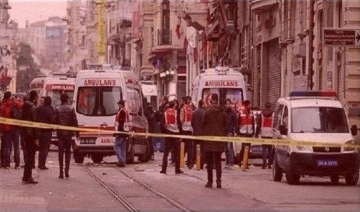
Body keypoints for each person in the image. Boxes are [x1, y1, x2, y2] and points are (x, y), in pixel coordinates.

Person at [202, 93, 226, 188]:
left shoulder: (207, 112)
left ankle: (210, 181)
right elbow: (225, 123)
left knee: (210, 162)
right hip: (219, 139)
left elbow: (203, 123)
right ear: (218, 100)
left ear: (211, 100)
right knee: (218, 161)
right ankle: (219, 181)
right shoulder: (222, 111)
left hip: (209, 139)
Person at [54, 93, 79, 178]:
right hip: (68, 134)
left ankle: (60, 172)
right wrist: (77, 133)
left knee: (61, 153)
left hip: (60, 134)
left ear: (61, 99)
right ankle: (67, 171)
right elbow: (75, 121)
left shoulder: (57, 109)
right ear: (67, 99)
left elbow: (54, 121)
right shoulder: (71, 109)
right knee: (68, 152)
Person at [160, 100, 183, 174]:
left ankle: (164, 169)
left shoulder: (165, 113)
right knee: (176, 152)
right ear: (174, 106)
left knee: (166, 152)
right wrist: (180, 133)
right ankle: (177, 169)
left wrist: (164, 131)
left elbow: (161, 124)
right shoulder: (176, 113)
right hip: (175, 134)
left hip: (168, 133)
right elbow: (179, 124)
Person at [21, 90, 39, 184]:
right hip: (31, 134)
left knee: (28, 155)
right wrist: (36, 137)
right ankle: (29, 177)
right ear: (35, 97)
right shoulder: (33, 107)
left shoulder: (25, 106)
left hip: (25, 133)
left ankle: (25, 176)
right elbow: (35, 122)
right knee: (31, 157)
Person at [35, 96, 54, 170]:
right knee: (45, 148)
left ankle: (40, 163)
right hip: (47, 132)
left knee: (41, 148)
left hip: (39, 131)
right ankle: (42, 164)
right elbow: (52, 120)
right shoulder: (50, 110)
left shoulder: (39, 108)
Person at [236, 100, 255, 169]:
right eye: (250, 104)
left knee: (248, 148)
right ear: (246, 105)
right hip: (243, 132)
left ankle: (245, 163)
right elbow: (237, 123)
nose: (250, 106)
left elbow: (253, 123)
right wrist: (237, 132)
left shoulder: (251, 113)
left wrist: (253, 132)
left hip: (249, 132)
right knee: (243, 148)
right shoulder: (241, 112)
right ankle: (240, 161)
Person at [256, 102, 274, 169]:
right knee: (270, 150)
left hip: (263, 133)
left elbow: (258, 125)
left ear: (265, 106)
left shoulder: (261, 114)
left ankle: (264, 164)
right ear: (270, 106)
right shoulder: (273, 114)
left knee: (264, 150)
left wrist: (256, 134)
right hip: (271, 134)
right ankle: (269, 164)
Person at [114, 100, 129, 167]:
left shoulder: (122, 112)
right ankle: (123, 160)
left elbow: (120, 123)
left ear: (121, 105)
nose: (118, 106)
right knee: (123, 147)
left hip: (121, 131)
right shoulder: (126, 111)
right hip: (125, 131)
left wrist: (117, 132)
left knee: (116, 145)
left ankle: (121, 160)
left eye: (119, 104)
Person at [180, 96, 194, 169]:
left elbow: (181, 119)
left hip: (184, 130)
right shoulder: (190, 109)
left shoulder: (183, 109)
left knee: (183, 146)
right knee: (189, 147)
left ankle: (181, 161)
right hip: (190, 129)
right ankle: (190, 162)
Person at [191, 99, 205, 169]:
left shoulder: (194, 112)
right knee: (202, 149)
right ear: (202, 104)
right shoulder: (204, 112)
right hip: (202, 134)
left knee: (195, 148)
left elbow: (192, 123)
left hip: (196, 133)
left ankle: (194, 162)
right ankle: (201, 164)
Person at [224, 98, 236, 169]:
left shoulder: (232, 113)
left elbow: (235, 123)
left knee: (229, 147)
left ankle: (230, 162)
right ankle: (227, 162)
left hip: (230, 132)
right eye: (226, 104)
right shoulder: (223, 113)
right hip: (224, 132)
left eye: (229, 104)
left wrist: (235, 131)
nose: (227, 105)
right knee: (225, 148)